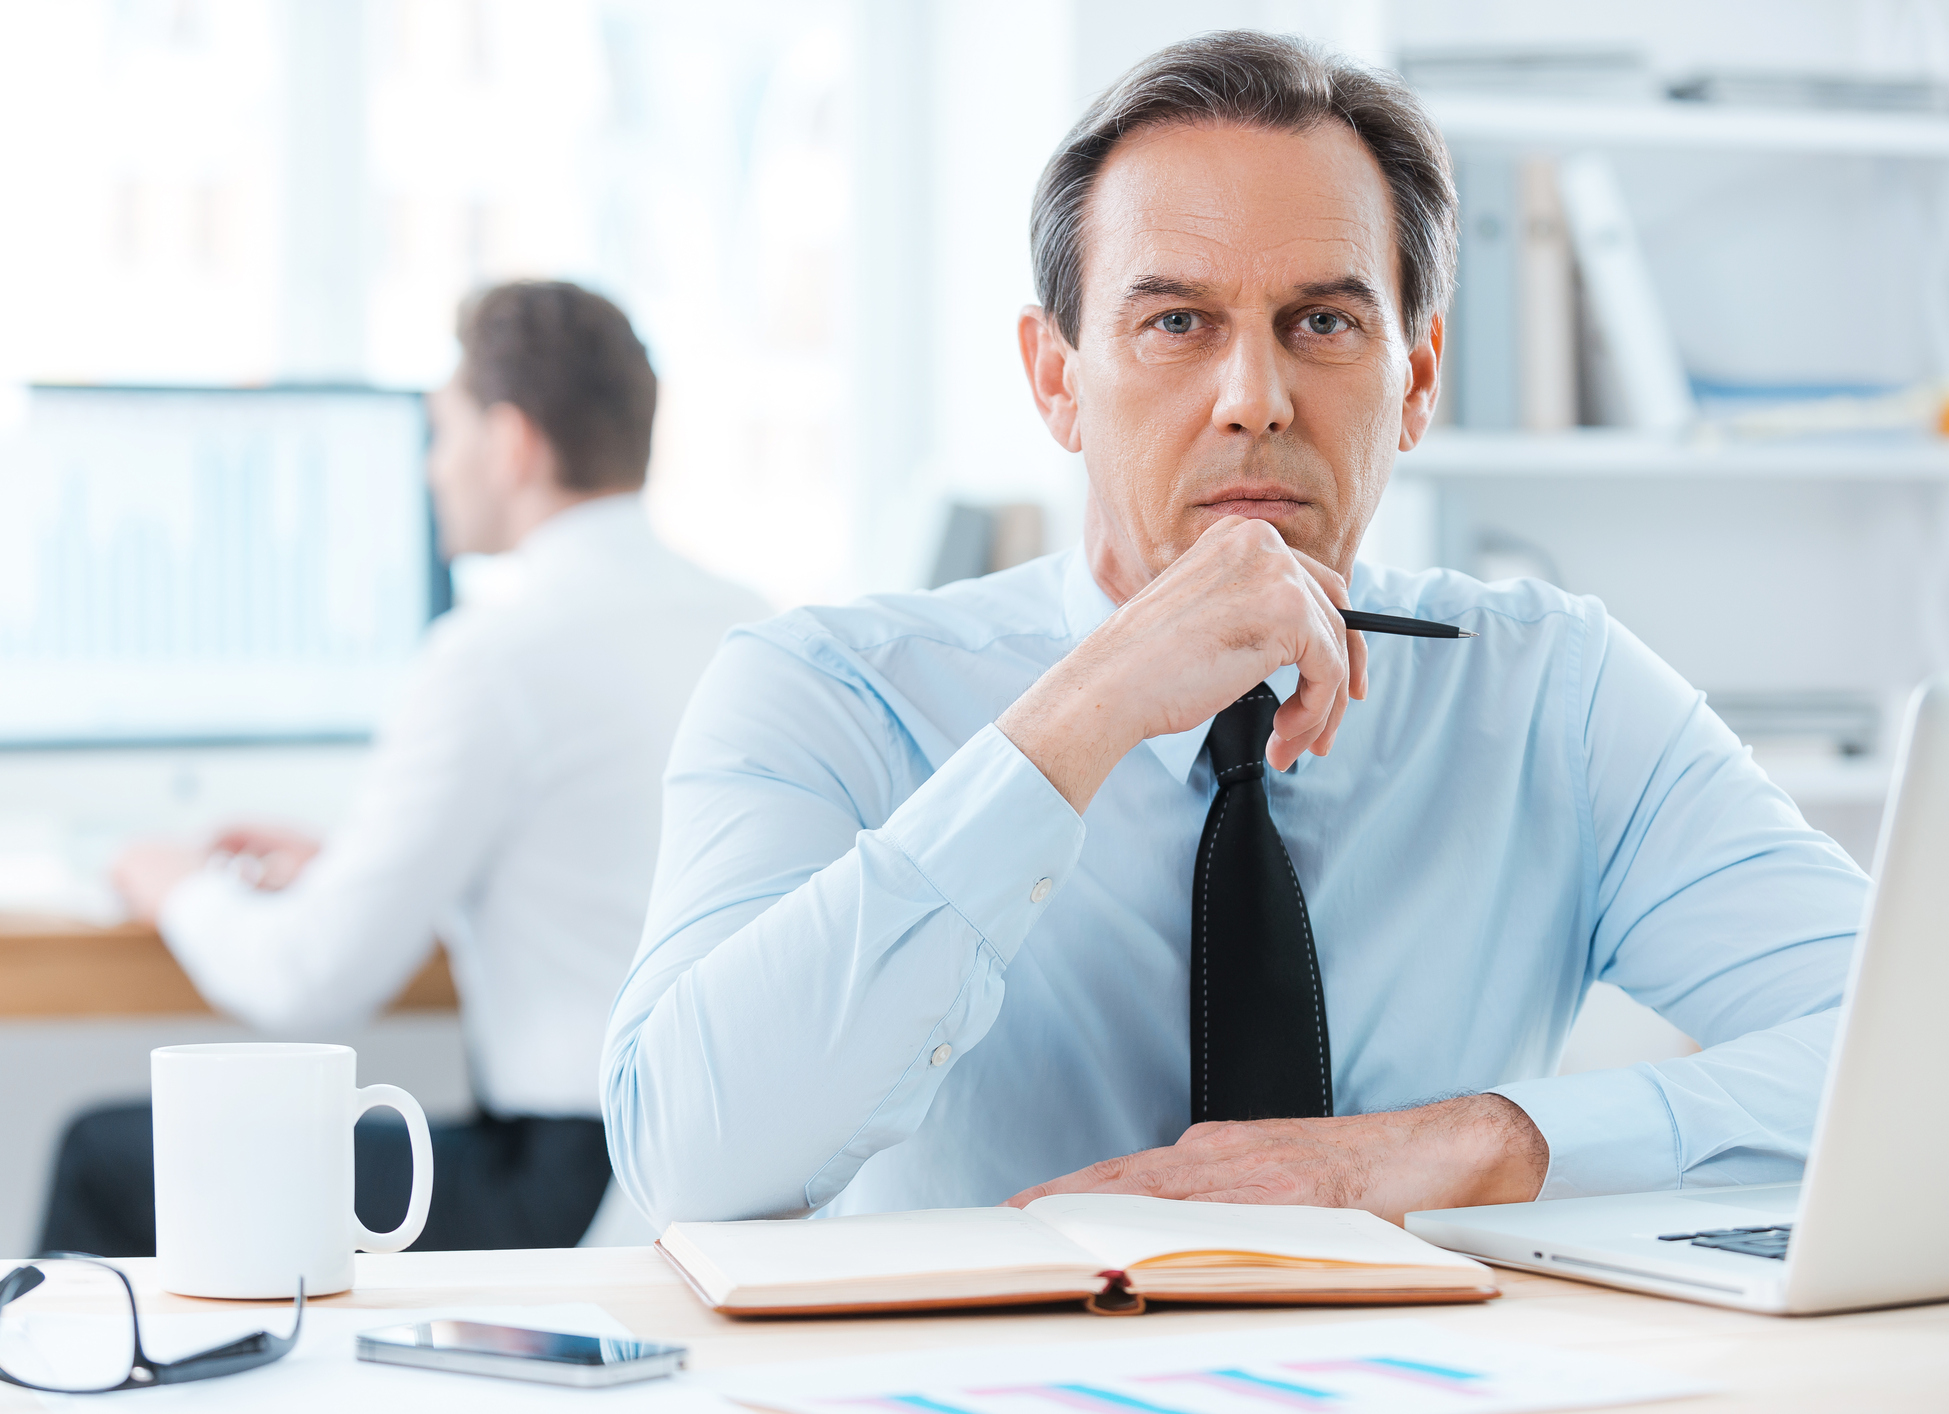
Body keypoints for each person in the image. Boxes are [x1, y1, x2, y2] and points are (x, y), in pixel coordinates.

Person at [601, 34, 1866, 1230]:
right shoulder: (822, 691)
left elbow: (1944, 1058)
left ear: (1414, 379)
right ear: (1056, 380)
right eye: (1174, 323)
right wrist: (1077, 718)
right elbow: (687, 1164)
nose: (1252, 400)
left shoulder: (1553, 693)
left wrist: (1472, 1144)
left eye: (1321, 323)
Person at [42, 280, 766, 1255]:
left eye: (442, 432)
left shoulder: (496, 654)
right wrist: (352, 859)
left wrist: (171, 886)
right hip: (716, 1170)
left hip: (563, 1186)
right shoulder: (751, 621)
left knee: (101, 1155)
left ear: (511, 445)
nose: (431, 469)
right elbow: (607, 858)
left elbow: (309, 980)